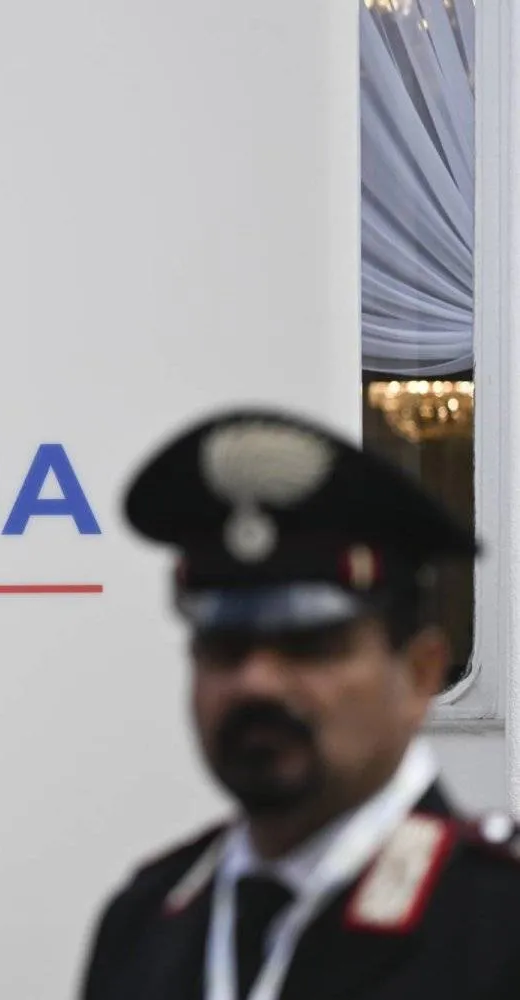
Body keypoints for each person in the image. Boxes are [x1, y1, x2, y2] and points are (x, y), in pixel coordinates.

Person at [79, 408, 520, 1000]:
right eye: (225, 649)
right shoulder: (145, 925)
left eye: (310, 647)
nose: (257, 683)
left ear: (420, 675)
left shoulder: (494, 926)